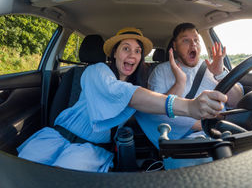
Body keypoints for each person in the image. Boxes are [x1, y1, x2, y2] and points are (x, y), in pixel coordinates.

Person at [17, 27, 228, 173]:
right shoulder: (95, 71)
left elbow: (155, 108)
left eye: (138, 51)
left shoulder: (140, 92)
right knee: (19, 175)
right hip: (56, 137)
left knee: (59, 177)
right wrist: (190, 106)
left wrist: (182, 86)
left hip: (91, 150)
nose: (133, 55)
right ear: (115, 54)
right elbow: (122, 92)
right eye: (126, 48)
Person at [135, 23, 243, 168]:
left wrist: (220, 74)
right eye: (186, 40)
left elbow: (237, 102)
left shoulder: (213, 68)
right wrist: (180, 82)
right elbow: (157, 111)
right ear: (175, 45)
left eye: (196, 40)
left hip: (222, 133)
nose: (193, 44)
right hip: (183, 140)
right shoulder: (161, 71)